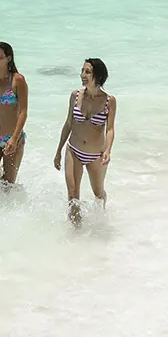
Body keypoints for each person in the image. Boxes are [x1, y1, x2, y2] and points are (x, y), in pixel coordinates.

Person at [53, 57, 116, 222]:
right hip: (73, 150)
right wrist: (58, 150)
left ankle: (101, 222)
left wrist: (108, 150)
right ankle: (76, 234)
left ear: (99, 75)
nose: (83, 75)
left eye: (87, 72)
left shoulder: (109, 101)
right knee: (73, 196)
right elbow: (68, 124)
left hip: (96, 155)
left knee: (98, 193)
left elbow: (109, 129)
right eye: (82, 71)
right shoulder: (75, 95)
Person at [0, 41, 29, 194]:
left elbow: (23, 111)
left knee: (8, 185)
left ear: (8, 58)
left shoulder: (18, 80)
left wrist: (14, 138)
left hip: (11, 137)